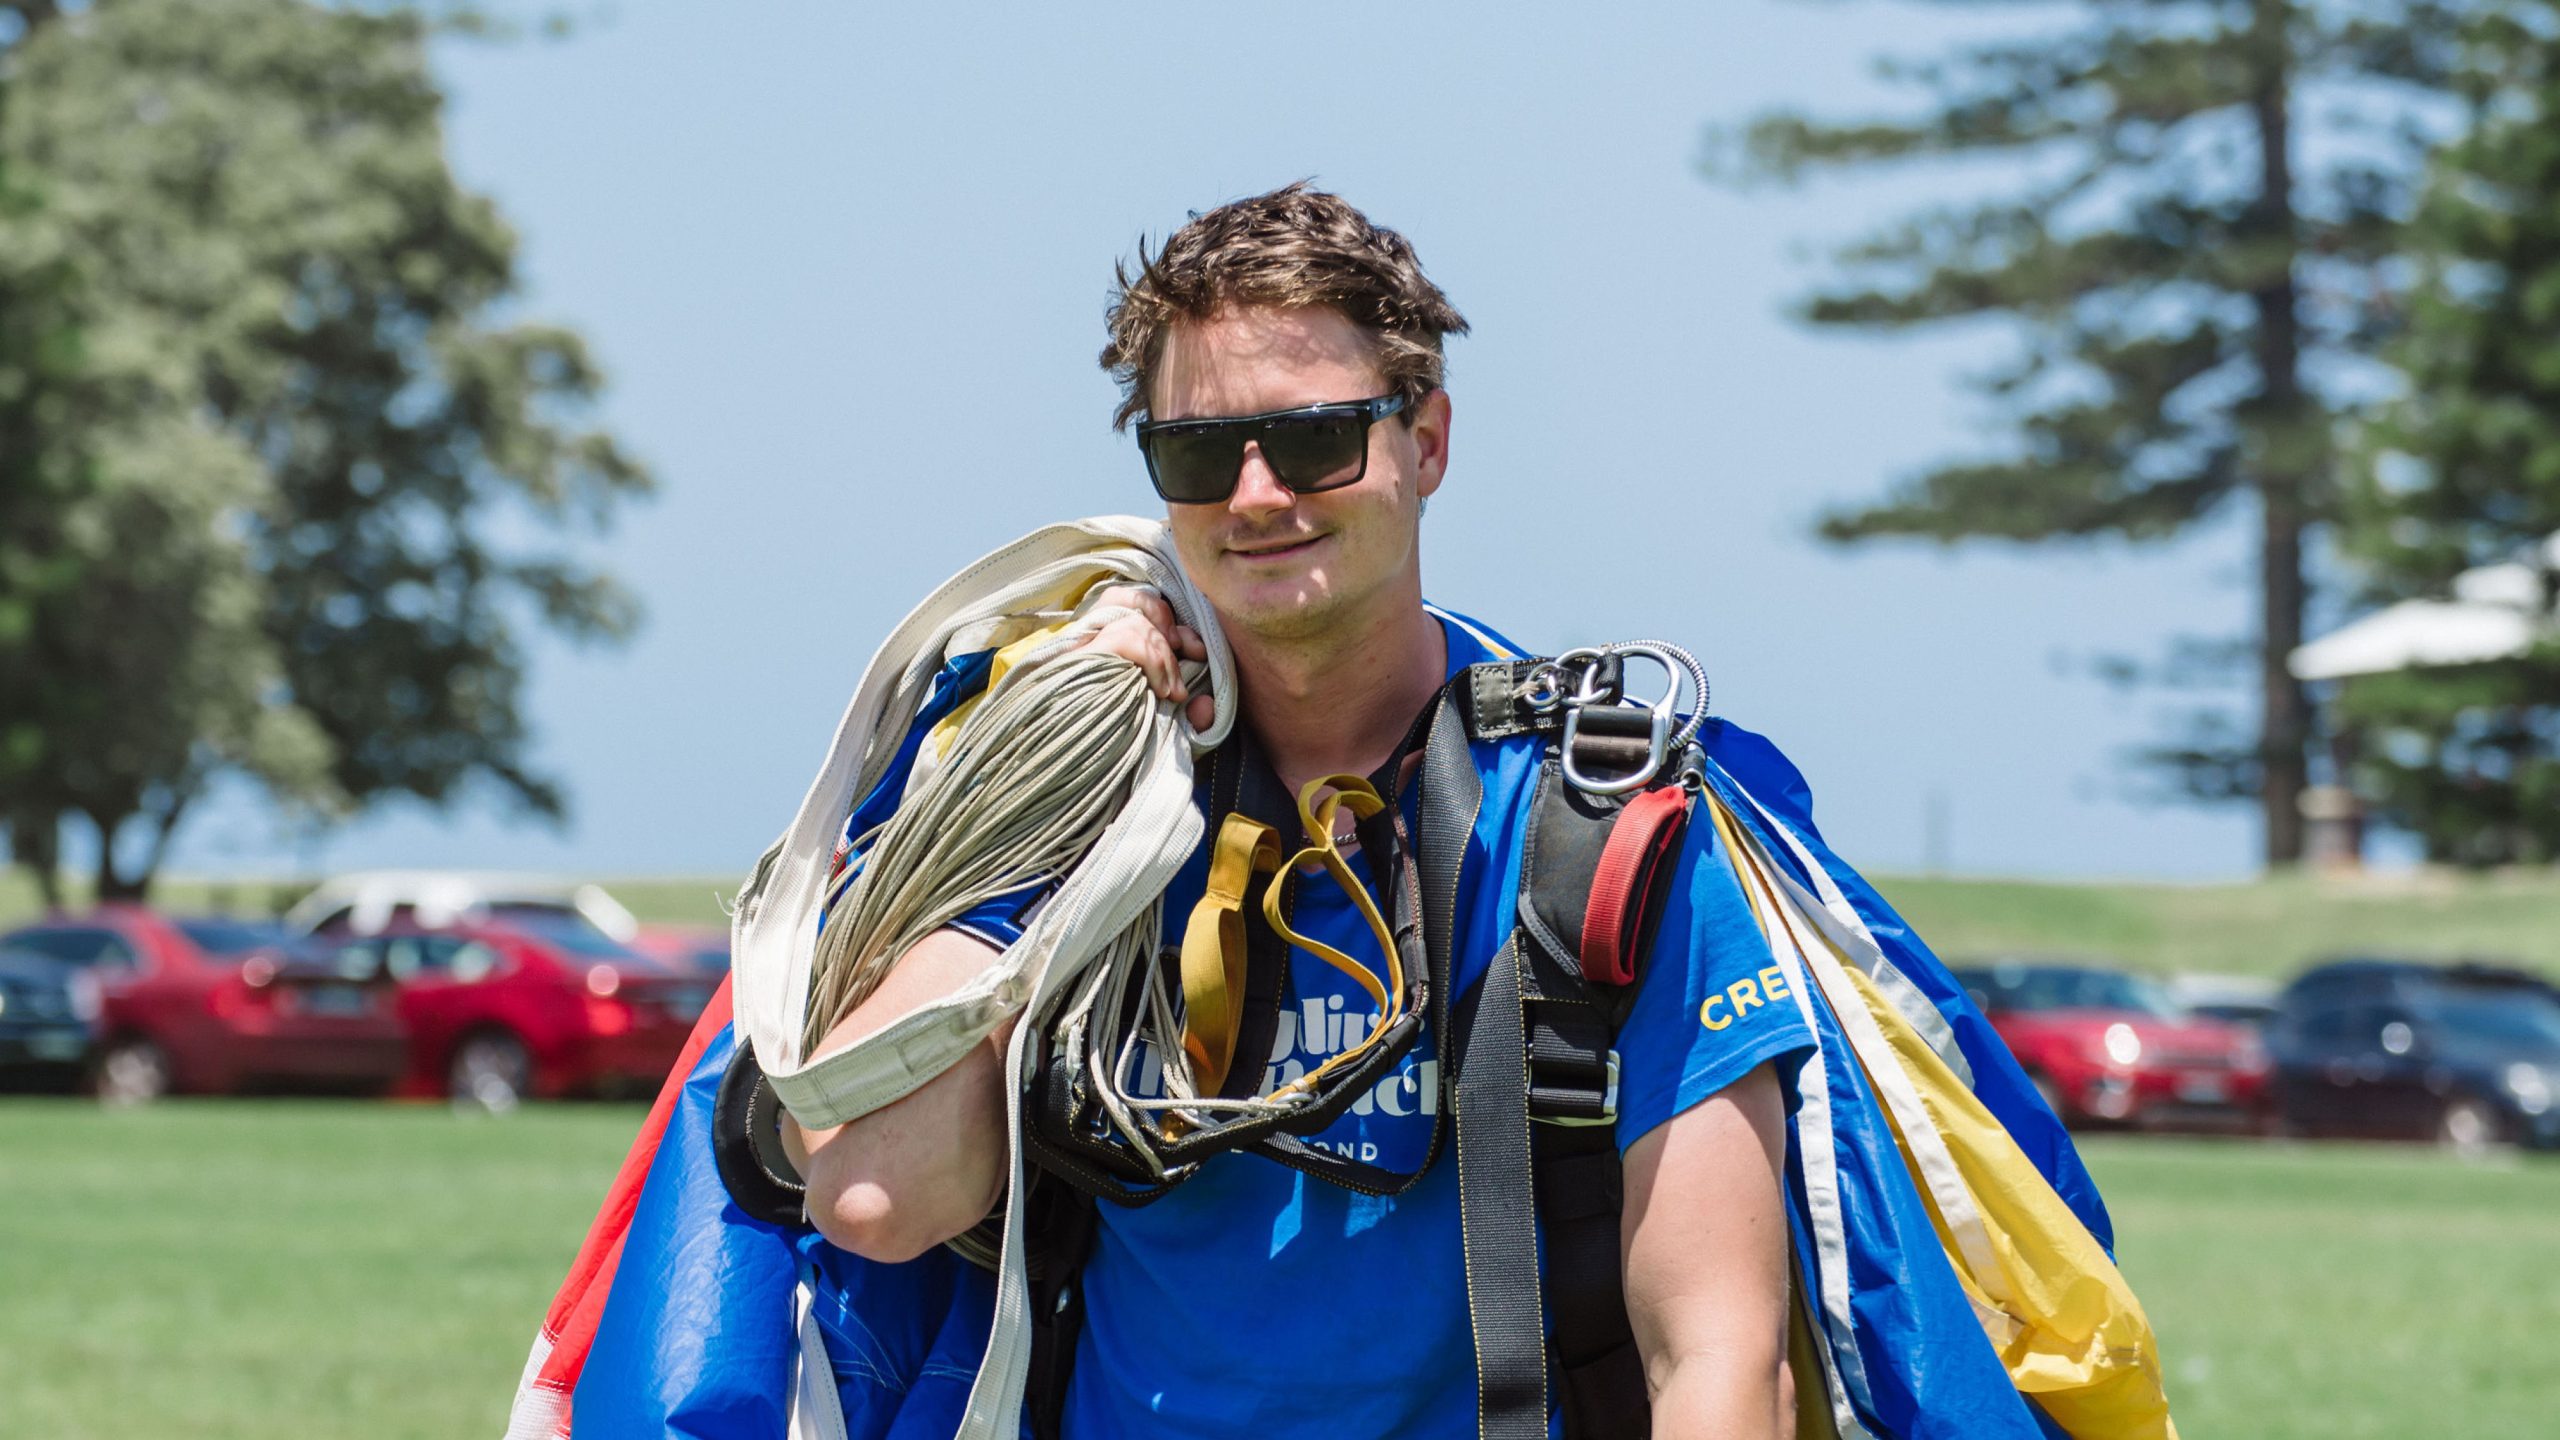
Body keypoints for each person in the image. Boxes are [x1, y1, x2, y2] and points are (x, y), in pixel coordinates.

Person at [781, 182, 1813, 1439]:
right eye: (1201, 454)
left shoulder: (1598, 830)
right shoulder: (1094, 807)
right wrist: (1053, 759)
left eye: (1316, 439)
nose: (1257, 496)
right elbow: (874, 1193)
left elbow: (1719, 1354)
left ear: (1425, 443)